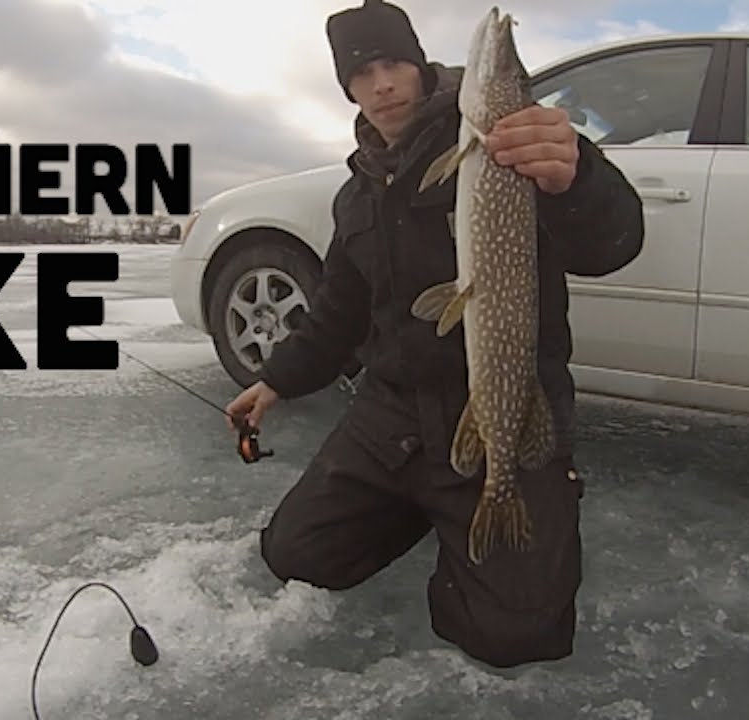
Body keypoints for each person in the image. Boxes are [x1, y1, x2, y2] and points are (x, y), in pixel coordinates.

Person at [225, 0, 645, 669]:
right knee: (296, 555)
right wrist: (275, 380)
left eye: (393, 63)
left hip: (500, 406)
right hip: (391, 419)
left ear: (421, 67)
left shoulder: (513, 144)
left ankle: (475, 529)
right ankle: (420, 505)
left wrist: (578, 177)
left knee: (515, 635)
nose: (382, 84)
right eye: (362, 73)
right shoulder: (358, 192)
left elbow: (614, 241)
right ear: (348, 90)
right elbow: (338, 310)